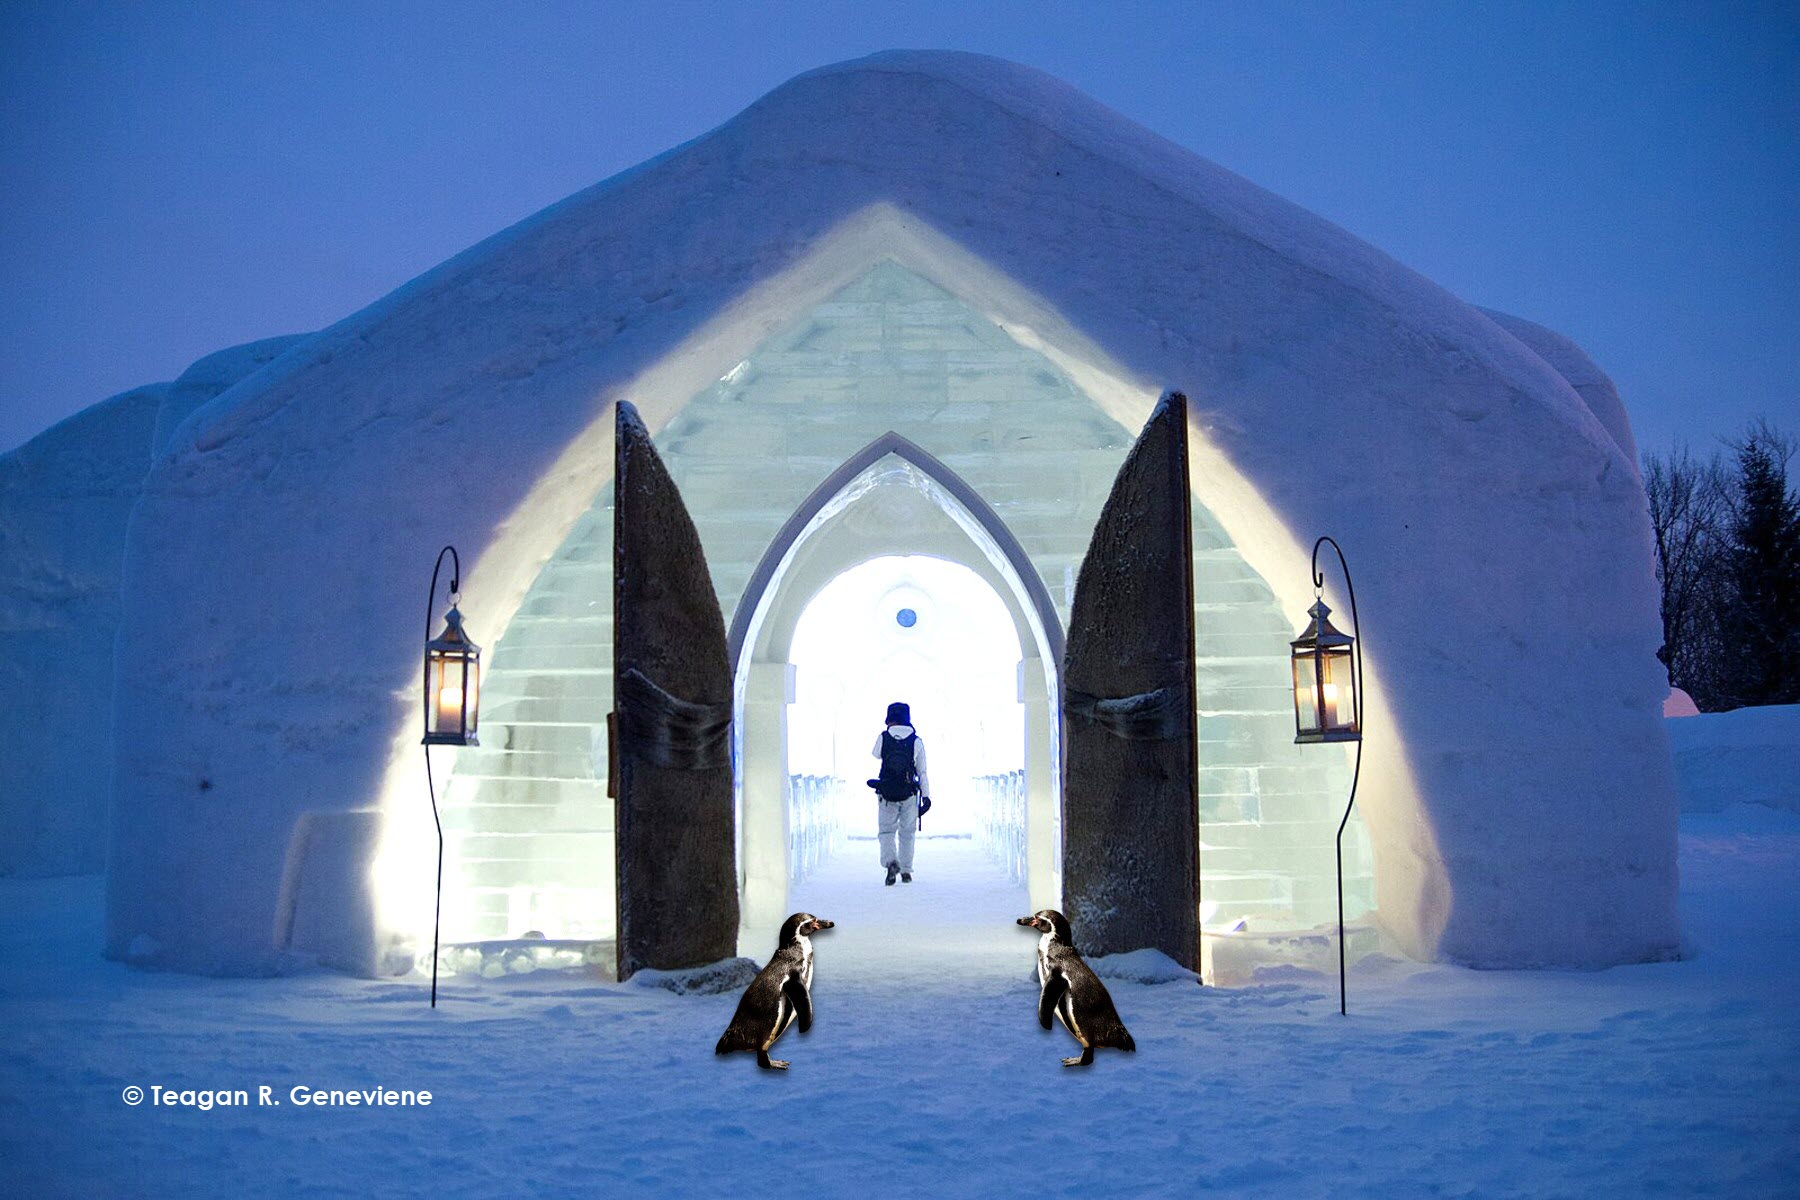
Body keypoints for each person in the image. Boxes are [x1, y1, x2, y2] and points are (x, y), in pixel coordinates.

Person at [869, 701, 930, 886]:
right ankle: (905, 870)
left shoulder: (883, 737)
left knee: (887, 831)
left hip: (886, 793)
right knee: (907, 833)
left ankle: (891, 863)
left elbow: (876, 754)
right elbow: (922, 771)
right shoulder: (916, 741)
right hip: (909, 793)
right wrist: (926, 796)